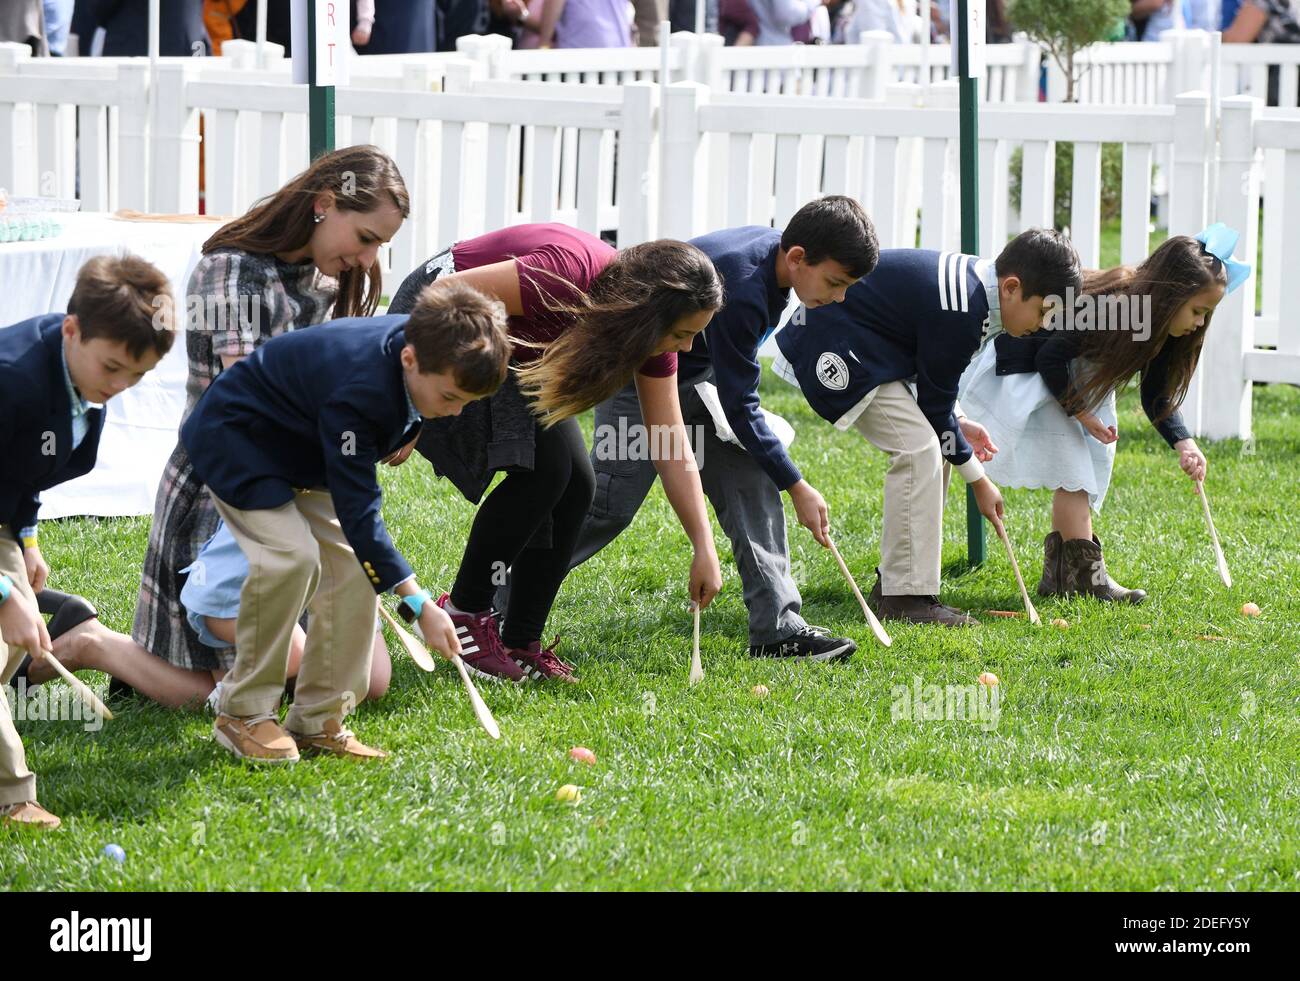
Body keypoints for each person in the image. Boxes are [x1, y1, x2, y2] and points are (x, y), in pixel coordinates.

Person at [29, 146, 408, 710]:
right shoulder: (235, 269)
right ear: (325, 204)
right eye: (367, 237)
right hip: (228, 488)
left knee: (367, 682)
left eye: (381, 244)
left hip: (300, 488)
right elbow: (257, 404)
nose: (369, 256)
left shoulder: (326, 279)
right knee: (247, 682)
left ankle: (185, 660)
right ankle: (92, 643)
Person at [182, 283, 511, 762]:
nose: (455, 412)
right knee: (291, 559)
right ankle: (243, 714)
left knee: (357, 572)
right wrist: (419, 605)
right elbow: (360, 513)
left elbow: (360, 531)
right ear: (410, 360)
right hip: (240, 443)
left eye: (466, 402)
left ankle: (317, 720)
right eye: (450, 397)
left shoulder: (428, 344)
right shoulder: (361, 393)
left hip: (307, 448)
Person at [389, 224, 725, 682]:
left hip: (511, 342)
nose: (685, 347)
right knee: (544, 472)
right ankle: (466, 613)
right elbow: (444, 294)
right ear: (649, 313)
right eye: (682, 334)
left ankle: (518, 638)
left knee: (577, 484)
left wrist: (703, 545)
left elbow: (668, 439)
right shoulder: (566, 275)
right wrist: (407, 401)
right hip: (438, 324)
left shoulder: (648, 331)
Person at [557, 197, 878, 662]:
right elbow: (741, 405)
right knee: (609, 504)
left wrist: (780, 476)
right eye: (834, 282)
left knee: (749, 476)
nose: (839, 296)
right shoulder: (745, 288)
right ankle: (496, 600)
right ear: (797, 258)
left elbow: (732, 392)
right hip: (640, 375)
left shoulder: (776, 257)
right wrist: (797, 484)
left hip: (696, 376)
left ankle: (778, 629)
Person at [773, 229, 1082, 625]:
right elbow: (935, 409)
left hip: (869, 348)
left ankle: (904, 585)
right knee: (918, 448)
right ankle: (904, 597)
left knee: (935, 445)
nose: (1042, 326)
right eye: (1042, 312)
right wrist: (979, 479)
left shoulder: (979, 298)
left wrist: (961, 423)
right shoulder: (965, 308)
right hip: (833, 345)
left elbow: (935, 377)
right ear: (1012, 287)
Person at [958, 226, 1249, 602]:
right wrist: (1080, 412)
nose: (1198, 322)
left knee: (1081, 468)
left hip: (1074, 381)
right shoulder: (1117, 309)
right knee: (1075, 466)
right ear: (1170, 296)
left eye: (1205, 315)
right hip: (1034, 366)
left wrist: (1184, 443)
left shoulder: (1157, 327)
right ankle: (1080, 577)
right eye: (1197, 310)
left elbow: (1157, 394)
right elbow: (1050, 356)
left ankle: (1067, 575)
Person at [1, 255, 176, 828]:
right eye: (113, 368)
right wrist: (4, 594)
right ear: (72, 329)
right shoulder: (13, 381)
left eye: (138, 376)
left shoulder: (76, 374)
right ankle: (11, 796)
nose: (121, 387)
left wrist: (25, 539)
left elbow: (19, 470)